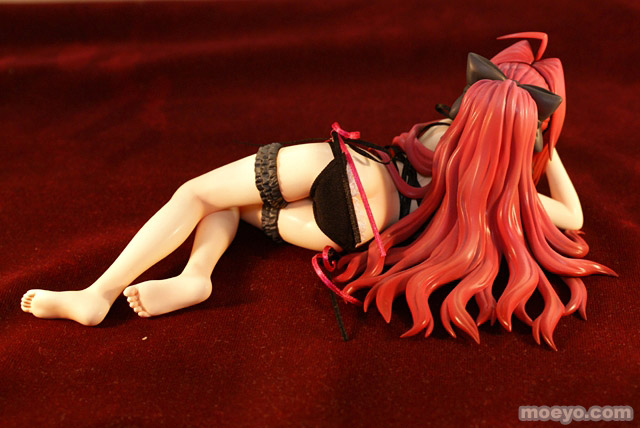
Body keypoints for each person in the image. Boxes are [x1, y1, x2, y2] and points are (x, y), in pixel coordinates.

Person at [21, 33, 614, 349]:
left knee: (196, 193)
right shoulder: (504, 192)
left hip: (356, 172)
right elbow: (573, 213)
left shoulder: (451, 130)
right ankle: (196, 277)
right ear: (528, 129)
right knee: (235, 206)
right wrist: (543, 149)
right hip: (364, 229)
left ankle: (96, 294)